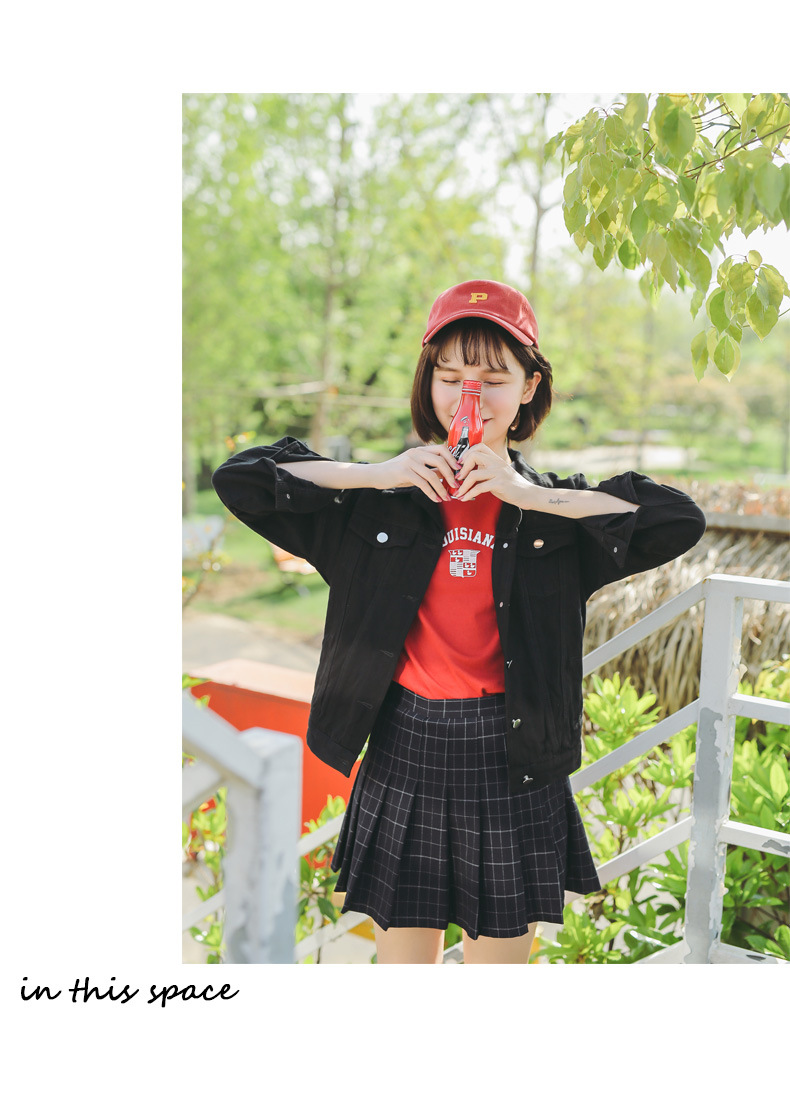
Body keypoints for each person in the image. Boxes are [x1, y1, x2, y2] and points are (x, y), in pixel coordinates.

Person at [212, 278, 707, 965]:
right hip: (403, 745)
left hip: (513, 756)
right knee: (403, 972)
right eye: (449, 376)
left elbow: (678, 519)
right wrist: (376, 473)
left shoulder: (551, 517)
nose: (468, 395)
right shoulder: (377, 505)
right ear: (428, 382)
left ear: (530, 387)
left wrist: (527, 495)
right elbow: (241, 478)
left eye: (493, 379)